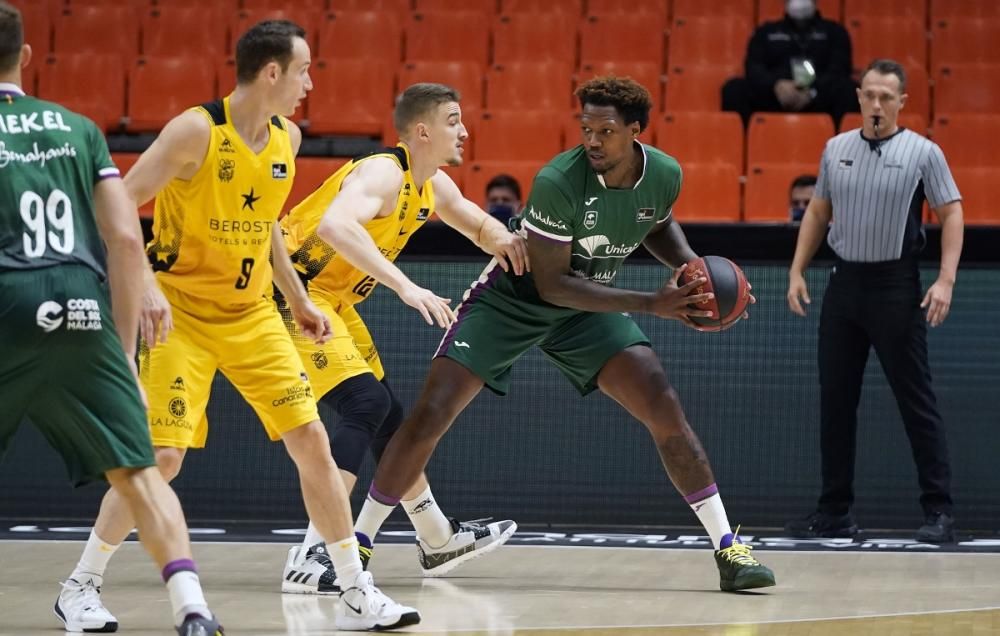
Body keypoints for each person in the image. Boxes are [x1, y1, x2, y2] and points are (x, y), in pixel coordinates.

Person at [57, 20, 419, 631]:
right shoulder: (195, 130)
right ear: (271, 72)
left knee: (313, 444)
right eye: (303, 70)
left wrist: (297, 297)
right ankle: (80, 585)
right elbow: (119, 204)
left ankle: (356, 589)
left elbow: (270, 224)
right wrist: (144, 283)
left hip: (252, 314)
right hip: (183, 315)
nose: (309, 83)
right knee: (162, 458)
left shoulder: (289, 139)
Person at [351, 76, 777, 593]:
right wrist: (652, 304)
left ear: (635, 132)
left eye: (606, 131)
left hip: (587, 302)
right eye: (586, 130)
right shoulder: (559, 179)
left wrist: (696, 276)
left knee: (663, 404)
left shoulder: (663, 173)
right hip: (517, 298)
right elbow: (551, 285)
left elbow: (656, 224)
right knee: (430, 413)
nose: (592, 141)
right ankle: (356, 548)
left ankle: (728, 547)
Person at [0, 4, 223, 634]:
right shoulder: (77, 129)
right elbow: (126, 242)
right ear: (28, 56)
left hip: (7, 298)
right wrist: (123, 354)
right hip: (80, 304)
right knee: (142, 469)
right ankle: (191, 608)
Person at [278, 82, 525, 591]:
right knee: (365, 405)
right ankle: (315, 552)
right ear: (422, 130)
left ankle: (437, 538)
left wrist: (512, 242)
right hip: (291, 292)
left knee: (389, 416)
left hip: (335, 302)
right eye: (454, 120)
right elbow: (334, 225)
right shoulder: (383, 171)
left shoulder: (431, 185)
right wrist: (408, 288)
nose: (464, 130)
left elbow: (479, 226)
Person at [785, 59, 964, 543]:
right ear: (859, 97)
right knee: (836, 402)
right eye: (870, 95)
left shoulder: (924, 152)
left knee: (915, 401)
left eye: (887, 96)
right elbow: (819, 210)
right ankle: (835, 511)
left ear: (902, 101)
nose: (877, 104)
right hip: (844, 286)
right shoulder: (835, 148)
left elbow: (951, 213)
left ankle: (939, 511)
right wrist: (797, 269)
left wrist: (945, 280)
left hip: (894, 286)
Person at [722, 0, 857, 126]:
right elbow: (753, 68)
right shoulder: (766, 32)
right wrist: (776, 85)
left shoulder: (835, 32)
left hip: (818, 96)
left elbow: (840, 69)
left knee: (850, 91)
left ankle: (841, 148)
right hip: (775, 96)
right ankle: (745, 144)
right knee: (734, 89)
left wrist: (812, 92)